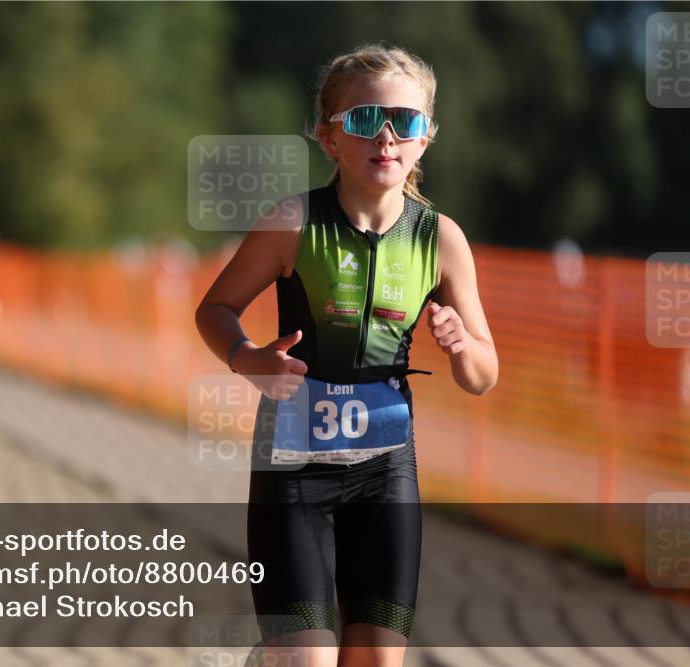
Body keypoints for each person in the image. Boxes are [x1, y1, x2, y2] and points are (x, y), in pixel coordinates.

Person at [195, 44, 498, 667]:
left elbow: (483, 376)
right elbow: (214, 309)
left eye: (406, 122)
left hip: (386, 472)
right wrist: (248, 358)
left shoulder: (440, 239)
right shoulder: (293, 223)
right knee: (309, 660)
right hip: (293, 471)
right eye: (364, 120)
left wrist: (464, 347)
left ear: (425, 139)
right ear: (329, 138)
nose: (386, 135)